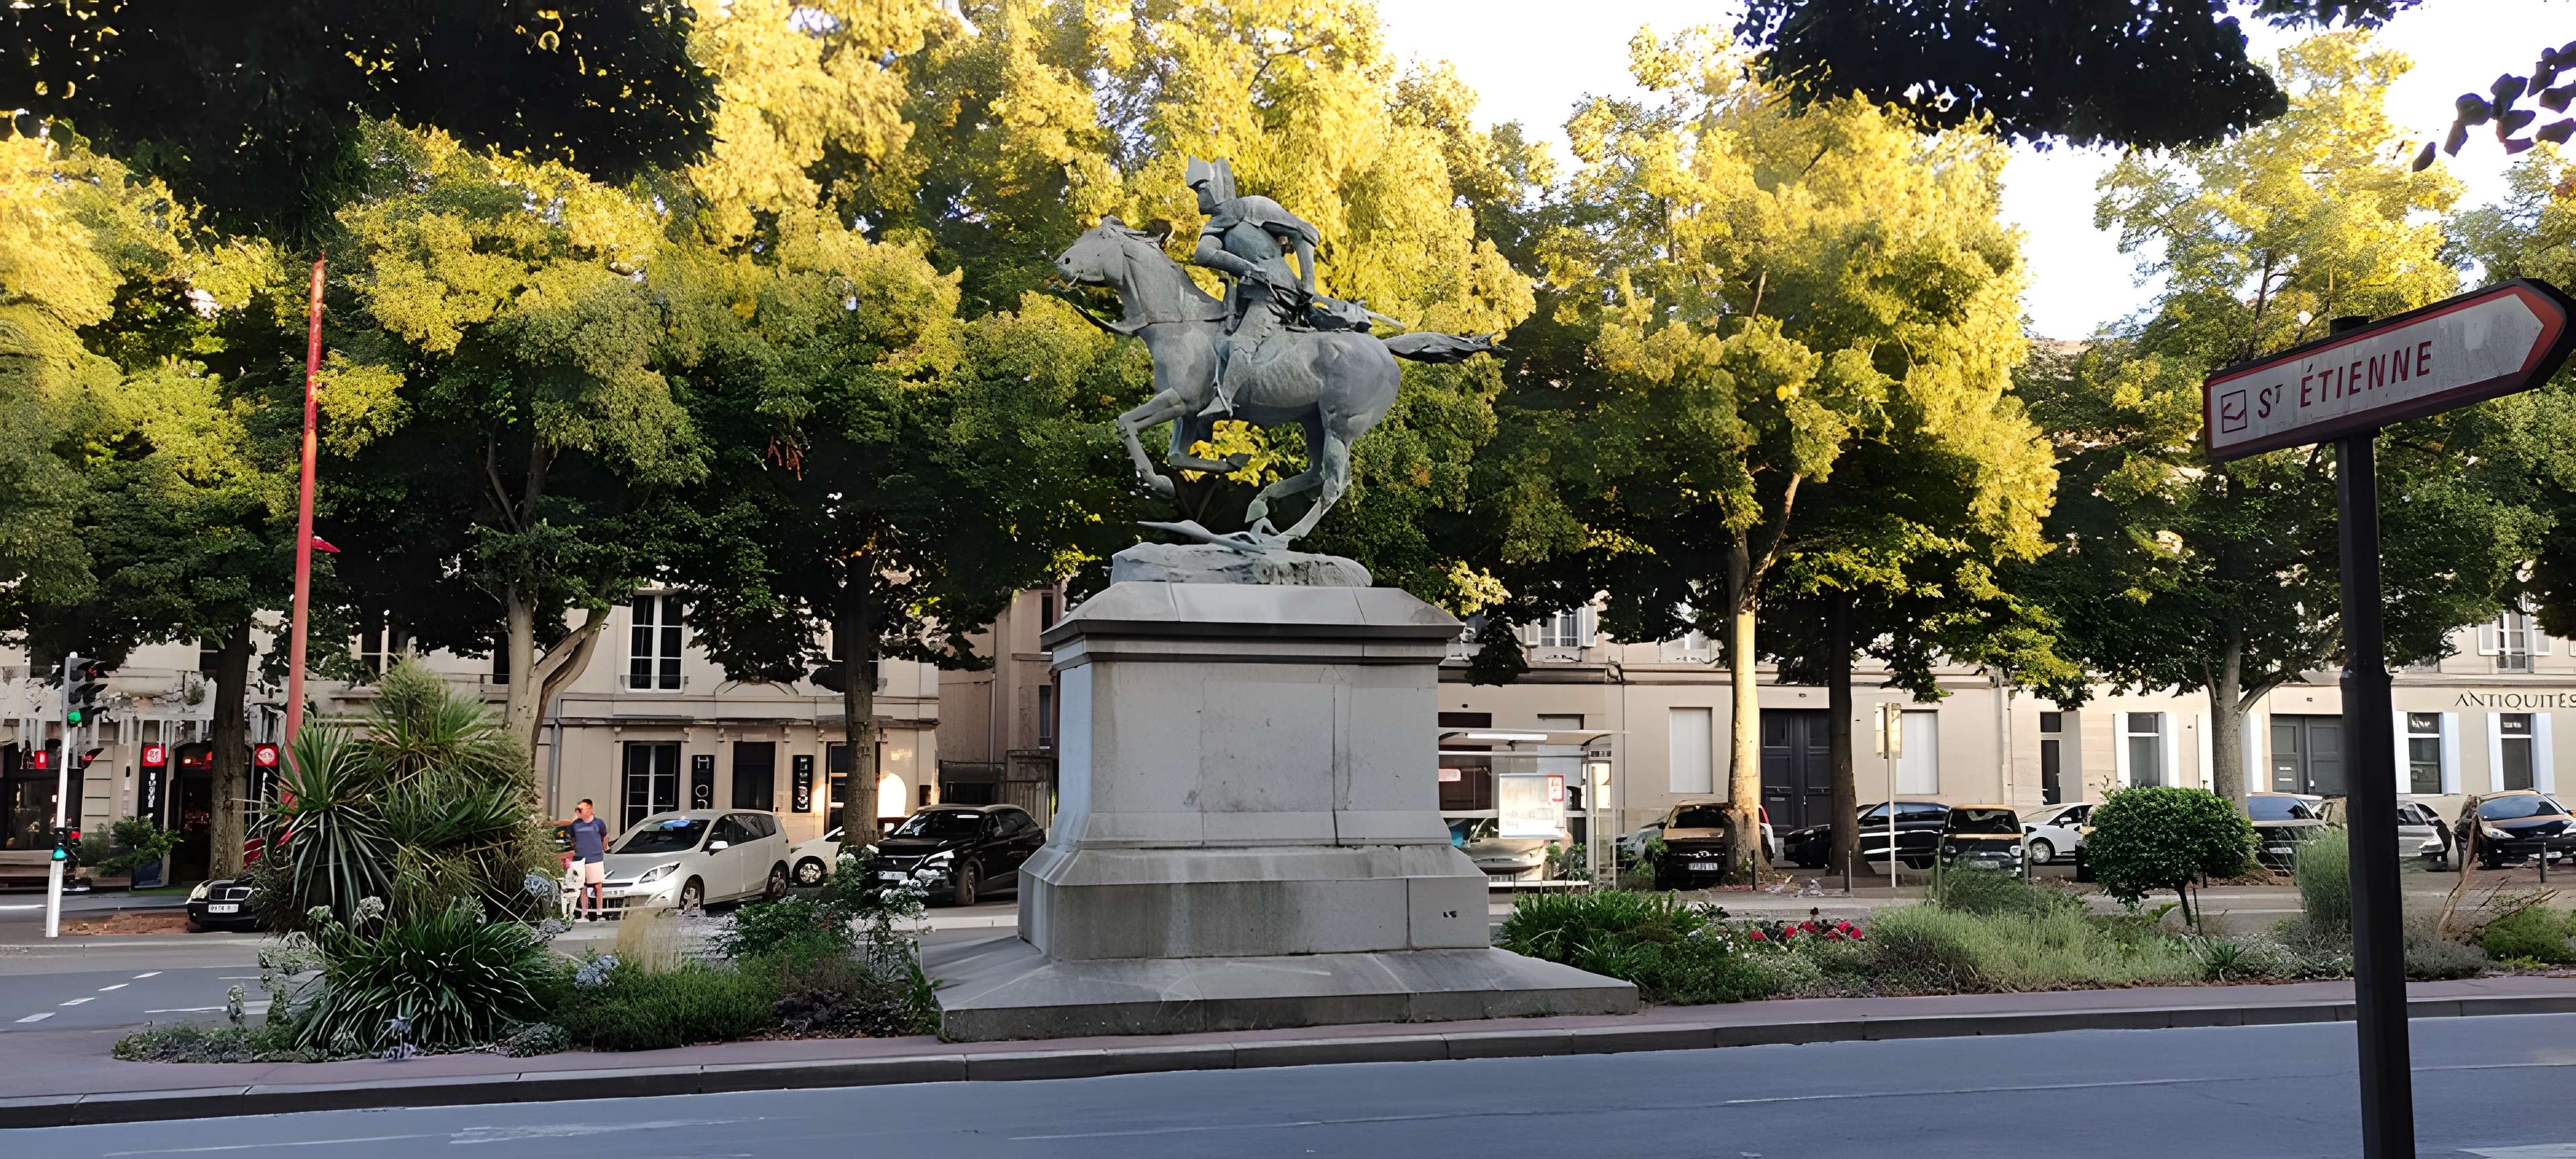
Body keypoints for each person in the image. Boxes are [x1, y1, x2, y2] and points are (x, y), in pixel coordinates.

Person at [1183, 155, 1321, 418]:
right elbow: (1203, 254)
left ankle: (1225, 400)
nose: (1199, 198)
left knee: (1240, 345)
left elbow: (1303, 233)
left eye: (1201, 190)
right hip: (1248, 293)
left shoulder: (1251, 208)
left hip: (1276, 291)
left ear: (1216, 186)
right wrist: (1246, 268)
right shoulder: (1215, 226)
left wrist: (1309, 283)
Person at [564, 799, 610, 922]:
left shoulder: (598, 823)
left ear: (590, 809)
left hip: (595, 859)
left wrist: (604, 848)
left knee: (598, 886)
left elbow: (604, 836)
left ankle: (600, 914)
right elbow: (571, 838)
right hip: (580, 859)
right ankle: (584, 915)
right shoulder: (575, 825)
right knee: (582, 886)